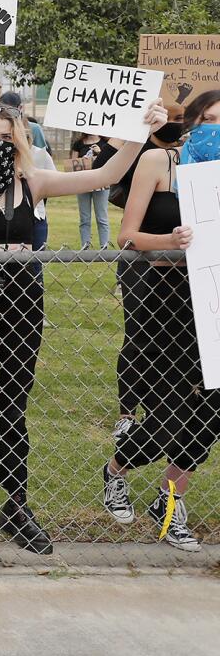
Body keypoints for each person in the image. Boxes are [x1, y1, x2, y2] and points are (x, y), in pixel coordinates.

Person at [0, 101, 165, 556]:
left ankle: (16, 504)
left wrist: (140, 132)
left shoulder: (33, 182)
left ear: (18, 139)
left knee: (13, 403)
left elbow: (104, 175)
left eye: (5, 136)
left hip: (21, 293)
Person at [101, 90, 220, 552]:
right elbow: (128, 236)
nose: (214, 128)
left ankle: (170, 500)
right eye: (207, 119)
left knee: (211, 409)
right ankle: (116, 470)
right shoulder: (158, 163)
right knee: (172, 413)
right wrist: (170, 239)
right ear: (190, 123)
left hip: (210, 299)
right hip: (164, 297)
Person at [90, 104, 187, 438]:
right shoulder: (145, 151)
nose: (174, 125)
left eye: (180, 120)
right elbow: (102, 167)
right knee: (139, 337)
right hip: (143, 265)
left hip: (189, 271)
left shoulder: (197, 158)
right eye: (170, 119)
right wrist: (136, 127)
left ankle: (174, 409)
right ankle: (128, 412)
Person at [68, 132, 111, 249]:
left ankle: (104, 246)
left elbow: (111, 162)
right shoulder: (78, 144)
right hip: (82, 183)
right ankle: (85, 246)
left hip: (101, 184)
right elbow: (72, 163)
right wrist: (82, 160)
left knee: (102, 216)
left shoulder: (105, 143)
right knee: (84, 218)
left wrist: (100, 152)